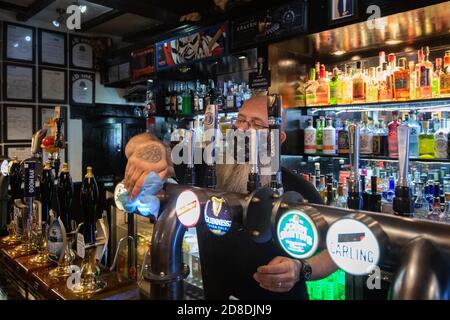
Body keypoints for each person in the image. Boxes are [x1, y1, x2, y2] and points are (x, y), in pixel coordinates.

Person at [124, 96, 337, 296]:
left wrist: (301, 269)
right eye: (240, 120)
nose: (243, 129)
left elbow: (336, 249)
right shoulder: (207, 169)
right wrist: (152, 150)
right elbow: (136, 144)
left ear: (278, 138)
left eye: (256, 124)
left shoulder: (299, 188)